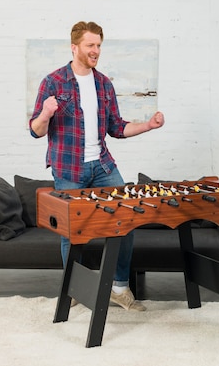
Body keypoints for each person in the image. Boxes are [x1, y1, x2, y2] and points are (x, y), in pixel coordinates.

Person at [30, 21, 165, 311]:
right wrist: (45, 113)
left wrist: (148, 126)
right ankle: (73, 289)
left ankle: (119, 288)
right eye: (91, 45)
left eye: (99, 45)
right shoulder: (53, 82)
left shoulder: (104, 83)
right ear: (74, 47)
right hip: (69, 170)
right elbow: (36, 130)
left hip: (102, 166)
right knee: (71, 232)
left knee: (126, 220)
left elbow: (117, 127)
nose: (96, 51)